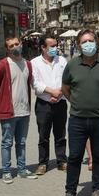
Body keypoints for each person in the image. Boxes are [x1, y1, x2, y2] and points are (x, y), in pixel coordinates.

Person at [58, 29, 99, 196]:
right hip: (77, 119)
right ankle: (70, 192)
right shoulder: (72, 65)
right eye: (84, 42)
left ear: (96, 42)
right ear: (79, 45)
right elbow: (65, 88)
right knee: (75, 156)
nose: (88, 44)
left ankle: (97, 189)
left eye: (91, 40)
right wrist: (76, 103)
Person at [0, 36, 36, 184]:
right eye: (11, 46)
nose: (15, 47)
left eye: (17, 44)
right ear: (7, 49)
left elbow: (29, 84)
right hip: (9, 112)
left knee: (21, 142)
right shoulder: (3, 65)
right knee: (7, 142)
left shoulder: (28, 64)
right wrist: (3, 101)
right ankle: (6, 171)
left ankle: (22, 169)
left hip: (24, 111)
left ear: (21, 44)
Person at [31, 34, 68, 175]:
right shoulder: (35, 63)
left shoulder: (62, 61)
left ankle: (62, 160)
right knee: (43, 135)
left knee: (60, 134)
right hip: (43, 104)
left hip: (60, 102)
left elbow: (67, 80)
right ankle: (43, 163)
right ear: (43, 47)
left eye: (56, 45)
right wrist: (51, 92)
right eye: (52, 46)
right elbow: (35, 83)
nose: (55, 48)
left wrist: (59, 93)